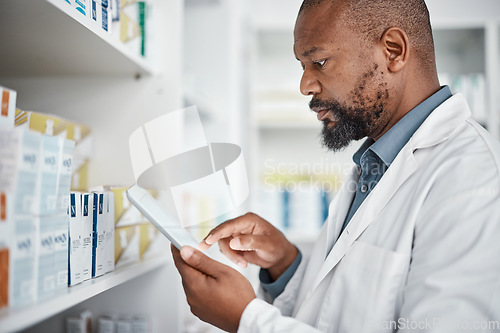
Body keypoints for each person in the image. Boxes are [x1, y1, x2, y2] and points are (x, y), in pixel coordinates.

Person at [171, 0, 500, 331]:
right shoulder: (376, 161)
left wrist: (247, 320)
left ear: (393, 51)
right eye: (302, 66)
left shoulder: (474, 179)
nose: (305, 86)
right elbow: (347, 306)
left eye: (320, 61)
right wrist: (286, 267)